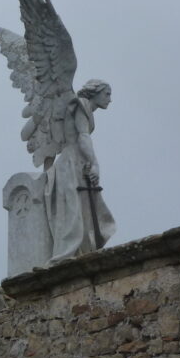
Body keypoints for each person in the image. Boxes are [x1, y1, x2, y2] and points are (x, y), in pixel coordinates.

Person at [44, 80, 116, 263]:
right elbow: (83, 136)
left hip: (77, 162)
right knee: (73, 212)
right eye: (107, 94)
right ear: (96, 93)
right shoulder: (81, 104)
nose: (110, 99)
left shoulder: (86, 108)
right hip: (71, 162)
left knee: (82, 210)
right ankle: (67, 255)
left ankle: (83, 252)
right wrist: (95, 164)